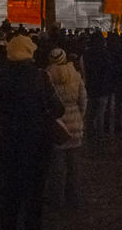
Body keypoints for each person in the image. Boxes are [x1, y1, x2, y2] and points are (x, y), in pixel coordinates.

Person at [0, 34, 64, 230]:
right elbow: (58, 108)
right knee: (34, 196)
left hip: (8, 143)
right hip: (37, 144)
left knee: (10, 195)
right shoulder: (41, 77)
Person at [46, 47, 87, 207]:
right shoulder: (75, 75)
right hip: (74, 120)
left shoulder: (47, 77)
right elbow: (83, 99)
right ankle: (74, 196)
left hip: (57, 123)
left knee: (57, 165)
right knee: (74, 164)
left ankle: (57, 197)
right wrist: (79, 116)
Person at [82, 31, 117, 143]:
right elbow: (110, 71)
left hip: (91, 86)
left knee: (90, 112)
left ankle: (90, 133)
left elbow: (84, 71)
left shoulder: (86, 54)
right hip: (103, 87)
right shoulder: (106, 53)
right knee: (101, 113)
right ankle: (99, 134)